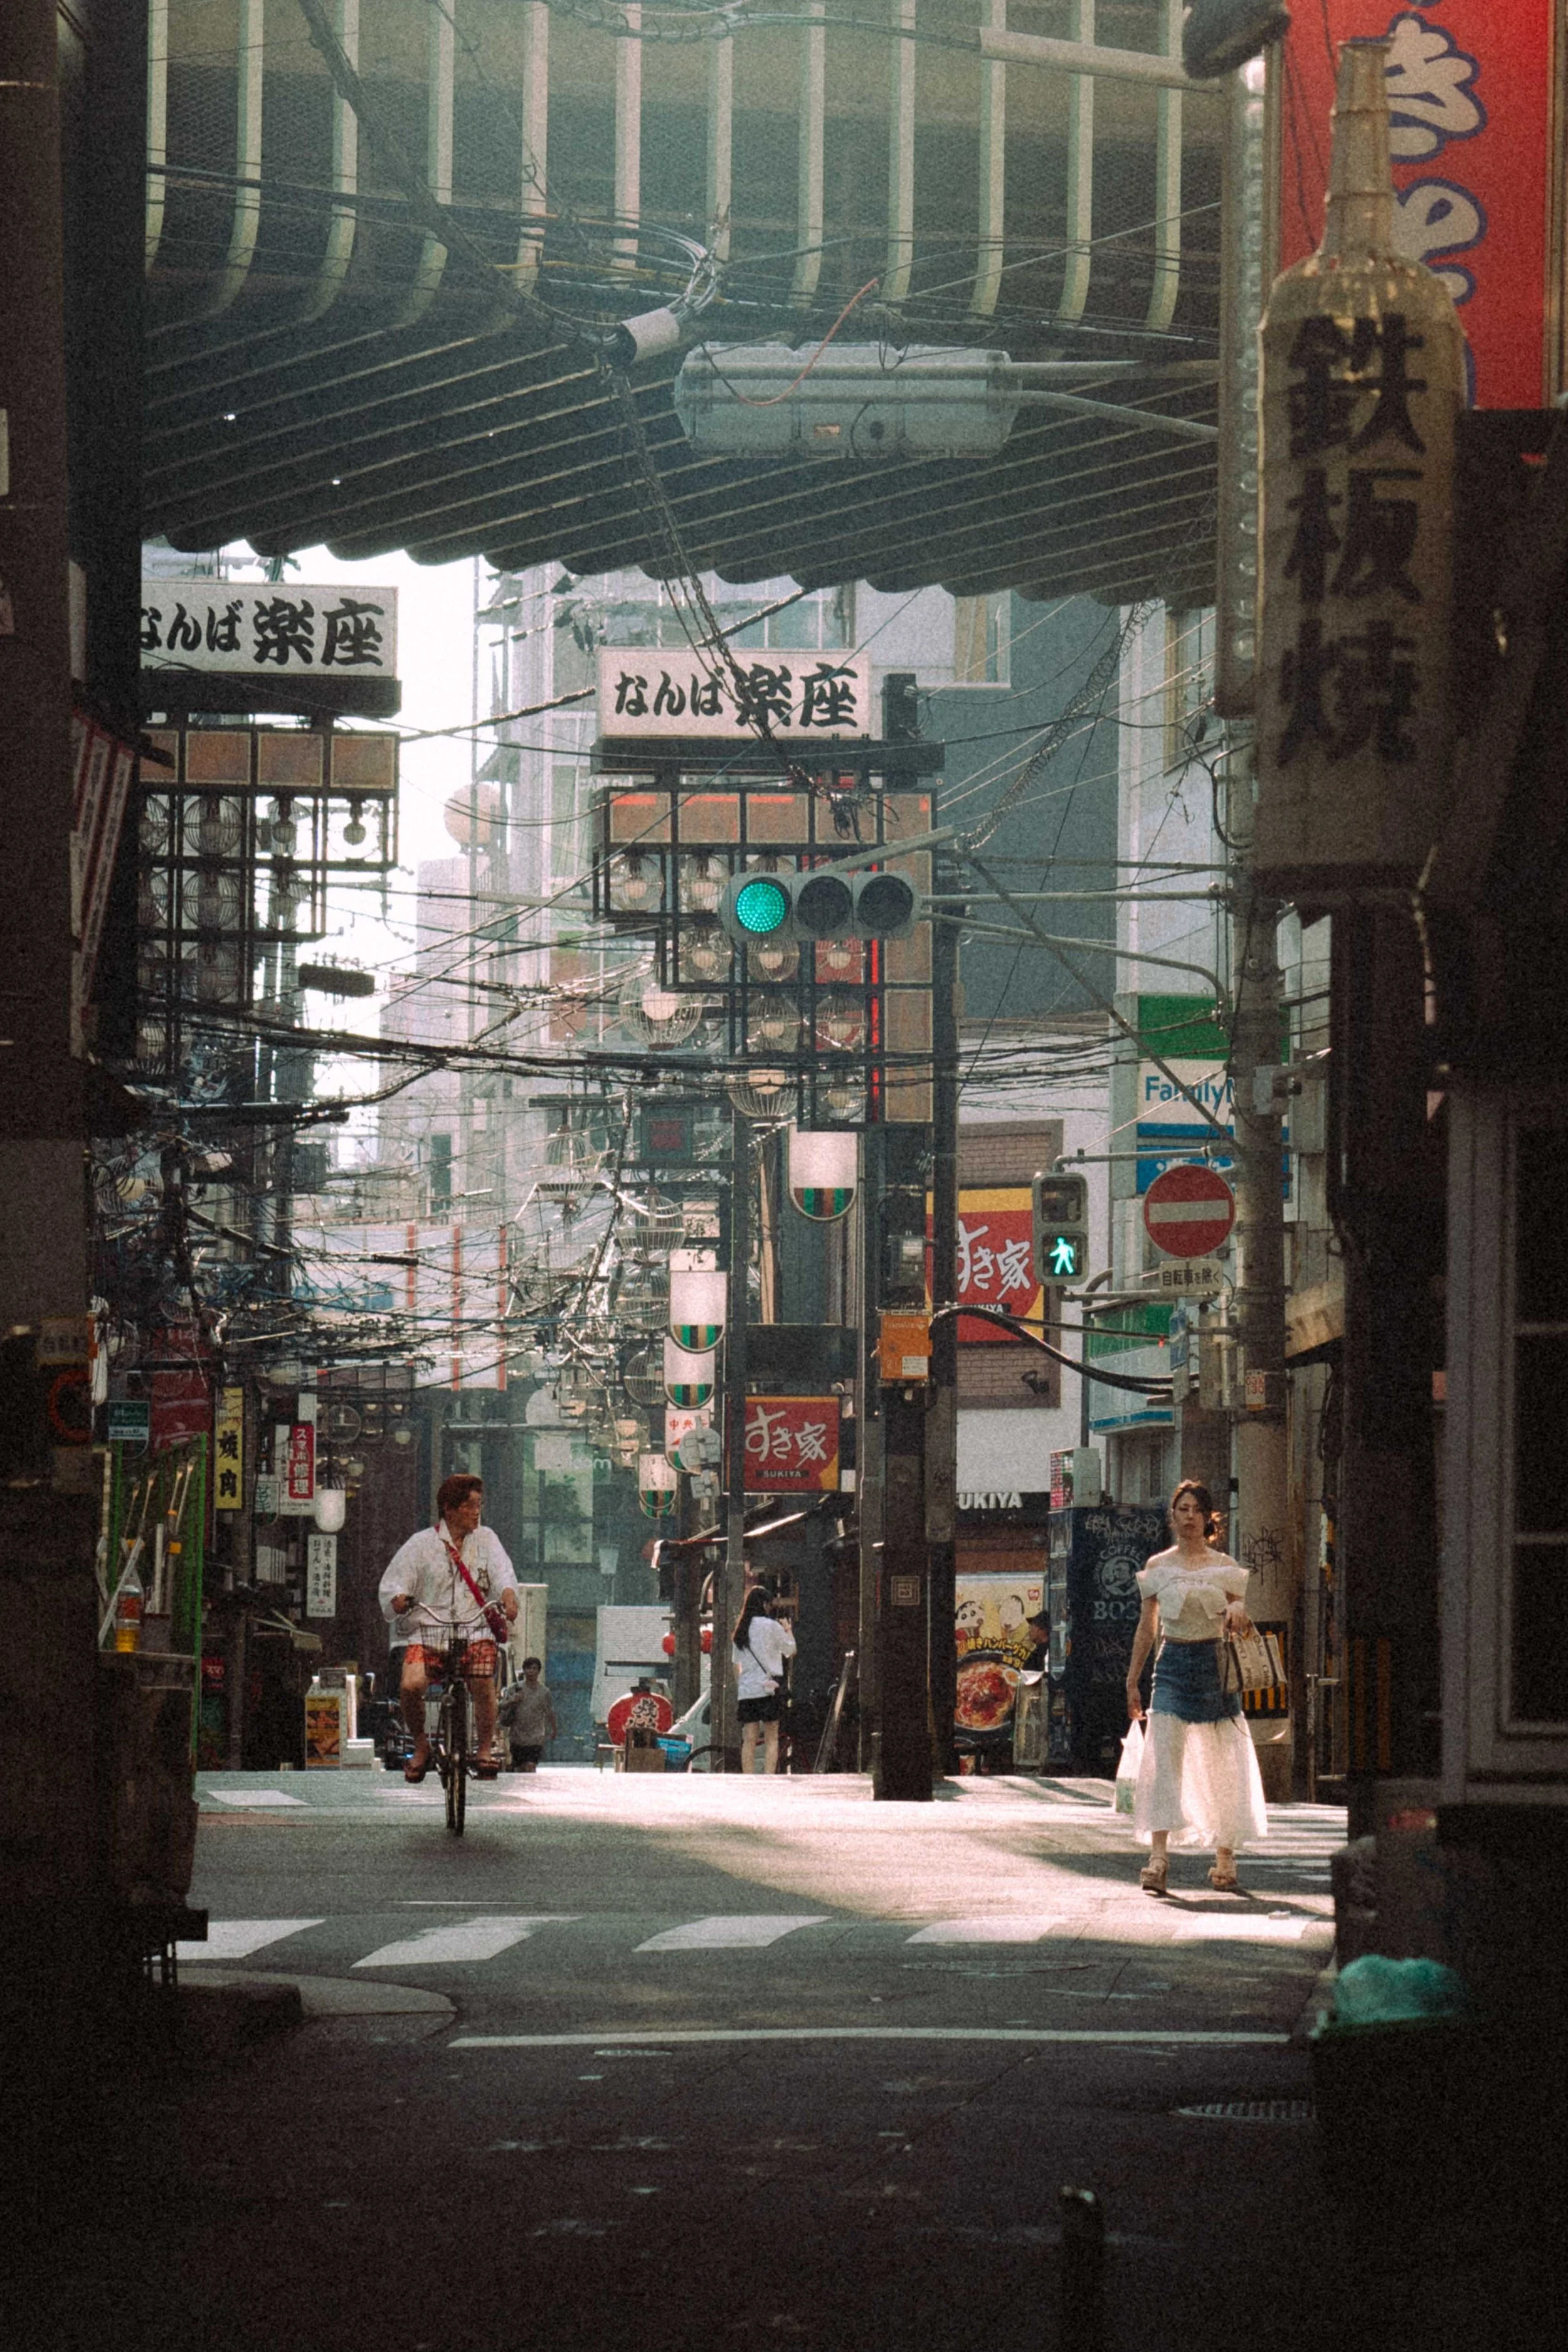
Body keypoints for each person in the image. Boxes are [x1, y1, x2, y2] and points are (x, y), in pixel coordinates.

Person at [1124, 1478, 1268, 1895]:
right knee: (1164, 1758)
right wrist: (1132, 1681)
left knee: (1223, 1760)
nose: (1188, 1517)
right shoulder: (1158, 1567)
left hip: (1215, 1665)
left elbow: (1242, 1618)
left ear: (1209, 1519)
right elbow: (1146, 1630)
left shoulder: (1225, 1568)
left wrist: (1238, 1609)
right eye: (1181, 1509)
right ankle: (1158, 1857)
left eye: (1195, 1510)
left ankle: (1225, 1854)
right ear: (1172, 1517)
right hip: (1170, 1666)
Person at [379, 1474, 519, 1783]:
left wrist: (509, 1597)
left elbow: (503, 1573)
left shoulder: (487, 1539)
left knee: (483, 1683)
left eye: (479, 1505)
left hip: (475, 1627)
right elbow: (393, 1585)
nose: (476, 1512)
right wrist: (399, 1599)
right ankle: (420, 1745)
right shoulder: (421, 1544)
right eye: (469, 1506)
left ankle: (483, 1750)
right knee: (411, 1685)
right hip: (430, 1629)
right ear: (449, 1508)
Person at [731, 1586, 796, 1775]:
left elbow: (736, 1663)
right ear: (764, 1604)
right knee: (772, 1737)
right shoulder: (772, 1627)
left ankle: (748, 1777)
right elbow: (791, 1650)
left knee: (749, 1738)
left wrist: (741, 1686)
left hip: (748, 1690)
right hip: (769, 1689)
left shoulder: (741, 1630)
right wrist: (788, 1629)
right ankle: (768, 1777)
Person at [497, 1655, 557, 1772]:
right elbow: (501, 1706)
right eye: (528, 1669)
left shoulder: (544, 1692)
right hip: (517, 1737)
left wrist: (554, 1729)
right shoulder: (515, 1689)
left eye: (534, 1669)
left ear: (539, 1671)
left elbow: (550, 1712)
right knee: (520, 1768)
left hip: (536, 1737)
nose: (531, 1672)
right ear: (524, 1671)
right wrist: (513, 1700)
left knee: (530, 1766)